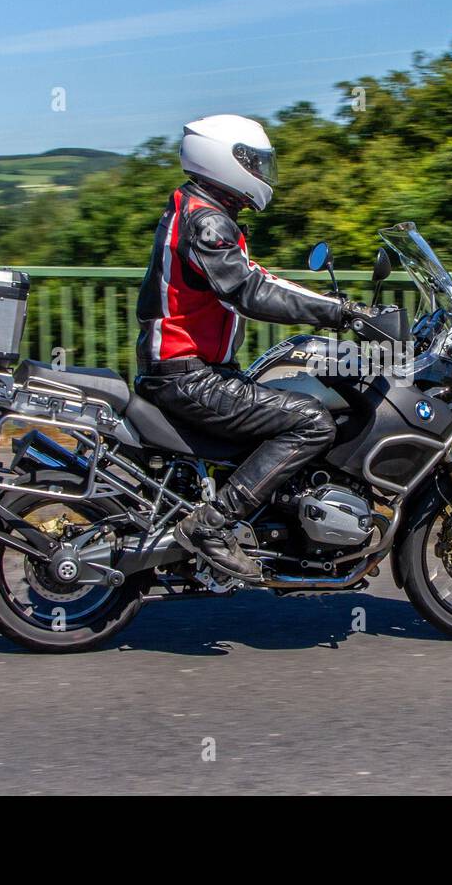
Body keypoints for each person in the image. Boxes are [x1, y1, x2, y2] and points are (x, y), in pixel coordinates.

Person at [135, 114, 375, 581]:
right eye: (255, 162)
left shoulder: (201, 211)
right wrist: (340, 313)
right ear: (226, 161)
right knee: (311, 421)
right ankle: (211, 526)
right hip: (188, 376)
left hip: (195, 370)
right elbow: (248, 291)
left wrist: (334, 305)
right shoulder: (206, 222)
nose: (263, 173)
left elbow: (257, 277)